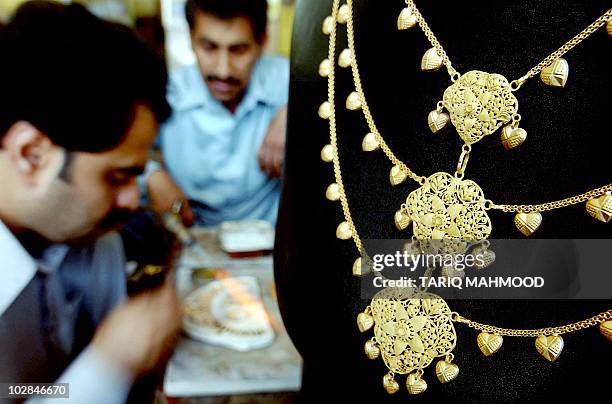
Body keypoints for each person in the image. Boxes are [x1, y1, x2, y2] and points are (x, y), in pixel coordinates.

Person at [0, 2, 181, 403]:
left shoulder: (92, 235)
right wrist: (108, 365)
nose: (133, 200)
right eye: (116, 177)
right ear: (32, 155)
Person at [145, 0, 289, 226]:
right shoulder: (167, 93)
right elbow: (114, 154)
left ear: (262, 41)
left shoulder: (291, 80)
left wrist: (294, 114)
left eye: (238, 50)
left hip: (275, 243)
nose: (223, 70)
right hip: (196, 242)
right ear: (191, 39)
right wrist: (151, 176)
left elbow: (354, 96)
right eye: (209, 47)